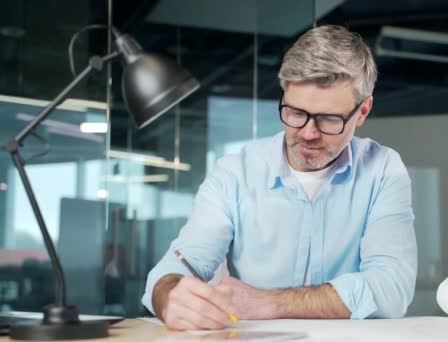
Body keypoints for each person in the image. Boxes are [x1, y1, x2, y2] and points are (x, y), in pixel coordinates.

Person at [142, 25, 417, 331]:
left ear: (363, 111)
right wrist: (167, 296)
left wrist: (266, 302)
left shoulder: (382, 170)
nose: (308, 133)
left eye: (329, 119)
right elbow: (182, 261)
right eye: (296, 112)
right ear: (284, 94)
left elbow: (391, 289)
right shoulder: (235, 173)